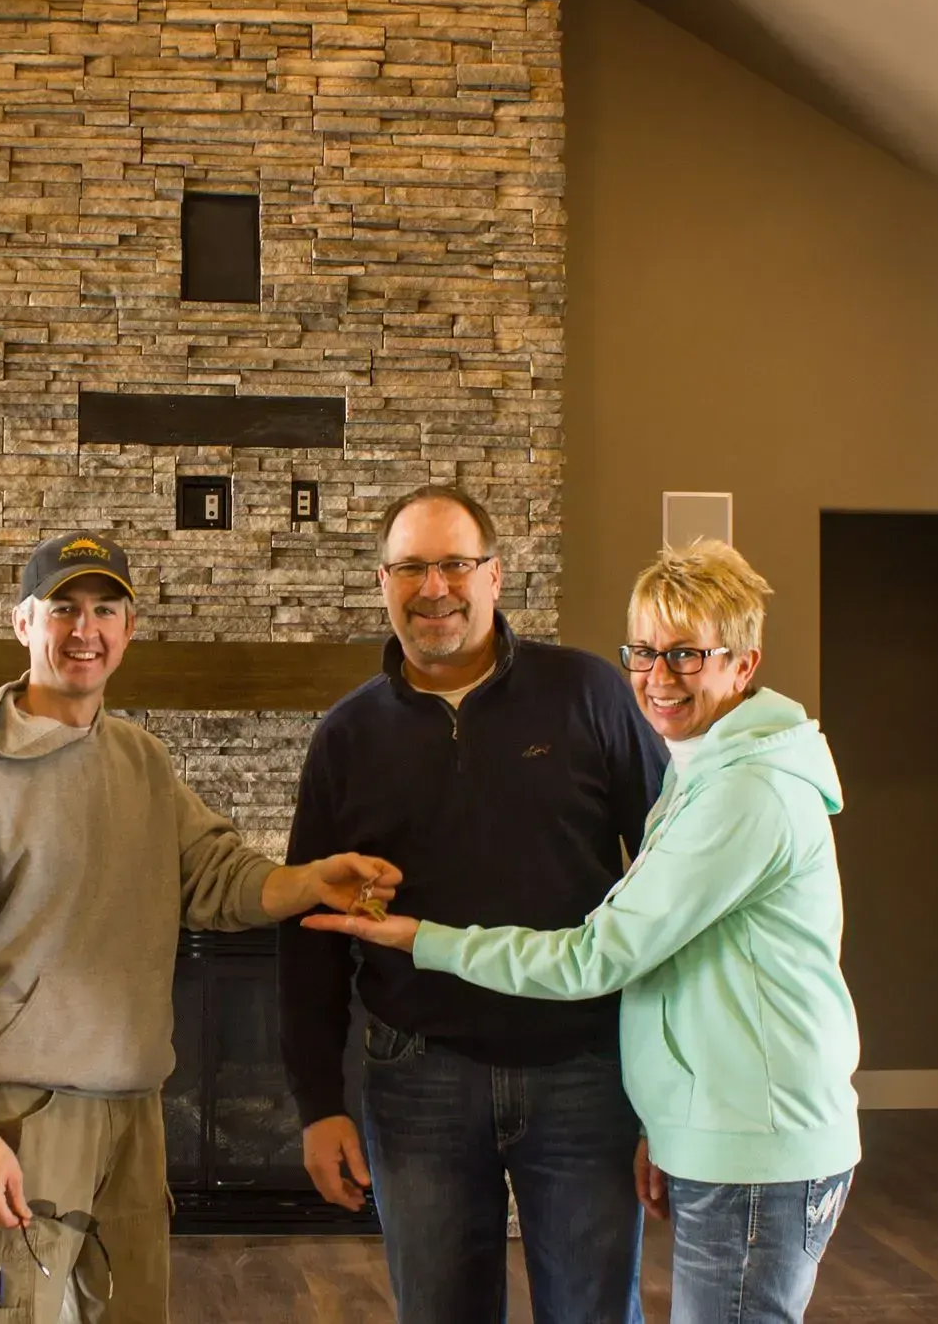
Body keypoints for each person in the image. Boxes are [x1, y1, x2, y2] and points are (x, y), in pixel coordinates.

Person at [305, 538, 861, 1324]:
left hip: (746, 1138)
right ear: (382, 581)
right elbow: (678, 967)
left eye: (687, 654)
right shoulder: (704, 773)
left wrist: (417, 935)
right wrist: (668, 1125)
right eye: (644, 651)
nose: (658, 677)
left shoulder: (746, 792)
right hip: (707, 1131)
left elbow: (600, 953)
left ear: (743, 663)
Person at [0, 530, 402, 1324]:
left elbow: (217, 877)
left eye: (105, 609)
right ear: (23, 624)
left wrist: (310, 879)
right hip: (22, 1114)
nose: (84, 629)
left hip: (134, 1108)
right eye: (62, 608)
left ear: (128, 630)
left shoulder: (142, 760)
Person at [279, 483, 668, 1324]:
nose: (434, 587)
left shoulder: (590, 696)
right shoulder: (345, 738)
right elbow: (308, 936)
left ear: (495, 576)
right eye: (410, 567)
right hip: (417, 1080)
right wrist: (319, 1104)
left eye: (454, 563)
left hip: (586, 1074)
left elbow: (674, 887)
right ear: (382, 581)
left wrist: (673, 1093)